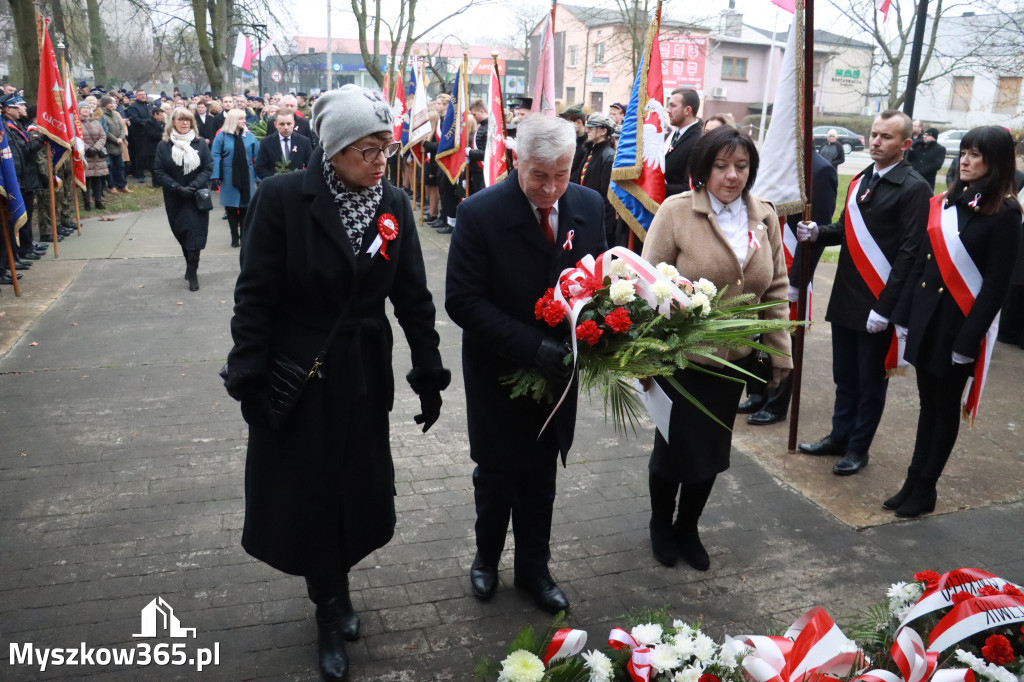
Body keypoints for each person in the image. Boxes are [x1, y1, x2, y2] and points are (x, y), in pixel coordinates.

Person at [221, 84, 449, 682]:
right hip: (299, 369)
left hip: (363, 369)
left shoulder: (393, 204)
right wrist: (247, 371)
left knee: (356, 483)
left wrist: (429, 373)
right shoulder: (281, 198)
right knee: (310, 490)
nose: (380, 163)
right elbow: (255, 296)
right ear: (335, 148)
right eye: (367, 151)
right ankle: (326, 608)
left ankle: (340, 585)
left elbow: (414, 298)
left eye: (385, 150)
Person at [446, 114, 606, 614]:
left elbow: (598, 278)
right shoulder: (480, 212)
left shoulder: (586, 204)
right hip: (499, 369)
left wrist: (598, 333)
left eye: (561, 174)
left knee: (540, 475)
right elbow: (463, 301)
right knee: (495, 474)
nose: (552, 188)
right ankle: (486, 559)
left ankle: (535, 569)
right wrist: (530, 347)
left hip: (560, 371)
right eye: (539, 176)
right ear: (518, 161)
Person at [640, 126, 790, 570]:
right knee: (672, 452)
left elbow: (776, 287)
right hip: (681, 360)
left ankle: (689, 526)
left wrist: (780, 351)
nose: (731, 176)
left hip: (734, 363)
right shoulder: (676, 211)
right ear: (703, 169)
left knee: (710, 454)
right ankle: (659, 524)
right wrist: (646, 354)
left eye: (741, 167)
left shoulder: (764, 216)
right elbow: (646, 282)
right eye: (721, 166)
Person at [886, 127, 1023, 518]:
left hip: (958, 328)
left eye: (975, 154)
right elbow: (923, 265)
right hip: (929, 321)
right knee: (927, 405)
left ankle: (926, 488)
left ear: (995, 162)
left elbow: (996, 289)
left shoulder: (1006, 213)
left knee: (945, 409)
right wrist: (907, 317)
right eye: (963, 152)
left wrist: (967, 343)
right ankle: (912, 481)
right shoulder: (949, 202)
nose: (964, 160)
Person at [796, 110, 932, 475]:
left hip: (877, 302)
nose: (875, 142)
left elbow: (909, 254)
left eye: (886, 137)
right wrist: (818, 233)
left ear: (905, 145)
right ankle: (838, 436)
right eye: (874, 134)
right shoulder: (860, 179)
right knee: (844, 376)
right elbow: (844, 229)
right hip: (847, 296)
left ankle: (858, 447)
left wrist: (885, 308)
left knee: (870, 383)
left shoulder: (915, 187)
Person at [742, 150, 838, 425]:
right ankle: (757, 392)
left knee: (785, 338)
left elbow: (817, 232)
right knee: (758, 330)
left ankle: (777, 402)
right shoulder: (775, 159)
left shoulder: (819, 171)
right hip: (764, 259)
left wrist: (798, 281)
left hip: (792, 267)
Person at [152, 107, 214, 292]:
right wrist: (177, 187)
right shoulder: (164, 146)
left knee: (195, 236)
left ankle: (193, 273)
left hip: (196, 197)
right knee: (182, 234)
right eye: (181, 119)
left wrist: (193, 186)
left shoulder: (200, 143)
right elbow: (159, 171)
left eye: (188, 120)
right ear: (173, 123)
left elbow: (208, 168)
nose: (185, 123)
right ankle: (189, 264)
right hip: (175, 197)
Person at [210, 109, 259, 248]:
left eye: (244, 118)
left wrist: (259, 177)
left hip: (246, 175)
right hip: (228, 175)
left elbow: (258, 157)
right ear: (233, 120)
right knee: (231, 207)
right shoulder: (222, 137)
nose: (244, 121)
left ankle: (244, 236)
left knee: (245, 207)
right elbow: (214, 156)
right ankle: (234, 236)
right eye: (241, 119)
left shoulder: (249, 137)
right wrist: (215, 176)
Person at [577, 112, 620, 246]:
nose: (587, 130)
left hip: (597, 219)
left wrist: (604, 226)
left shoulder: (608, 156)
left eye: (592, 127)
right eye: (587, 126)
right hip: (584, 213)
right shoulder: (590, 150)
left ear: (603, 131)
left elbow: (607, 196)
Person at [664, 88, 702, 197]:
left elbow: (688, 187)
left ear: (687, 110)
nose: (668, 110)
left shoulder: (697, 141)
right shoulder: (674, 134)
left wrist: (655, 185)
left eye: (673, 106)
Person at [254, 110, 312, 181]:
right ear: (276, 125)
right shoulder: (266, 142)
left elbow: (310, 165)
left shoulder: (304, 141)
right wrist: (274, 180)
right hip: (274, 186)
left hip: (297, 185)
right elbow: (259, 167)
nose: (286, 127)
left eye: (288, 124)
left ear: (293, 123)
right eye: (282, 124)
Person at [79, 102, 109, 211]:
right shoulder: (76, 123)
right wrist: (88, 148)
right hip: (85, 155)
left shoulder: (96, 122)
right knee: (86, 179)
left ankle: (98, 201)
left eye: (87, 108)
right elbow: (76, 138)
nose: (86, 110)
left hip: (97, 154)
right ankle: (87, 202)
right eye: (83, 108)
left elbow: (103, 136)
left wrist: (96, 148)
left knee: (98, 179)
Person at [99, 95, 130, 194]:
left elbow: (121, 127)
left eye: (114, 103)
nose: (113, 105)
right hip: (108, 145)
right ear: (105, 105)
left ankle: (122, 185)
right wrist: (116, 140)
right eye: (111, 103)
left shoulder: (115, 114)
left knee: (120, 166)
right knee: (110, 167)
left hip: (118, 144)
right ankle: (111, 186)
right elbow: (105, 131)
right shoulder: (101, 115)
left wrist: (122, 137)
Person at [907, 126, 946, 191]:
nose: (924, 136)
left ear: (934, 137)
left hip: (927, 180)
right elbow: (909, 158)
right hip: (913, 177)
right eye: (924, 134)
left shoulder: (940, 149)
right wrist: (913, 146)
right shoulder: (919, 146)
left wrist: (921, 172)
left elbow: (937, 165)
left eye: (928, 135)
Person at [125, 89, 151, 183]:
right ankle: (140, 174)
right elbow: (135, 120)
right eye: (140, 95)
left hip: (149, 134)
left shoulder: (149, 105)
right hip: (138, 134)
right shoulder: (133, 107)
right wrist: (149, 122)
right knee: (139, 155)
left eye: (144, 94)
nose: (143, 96)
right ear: (136, 96)